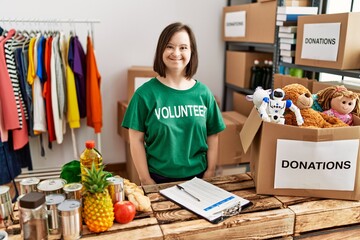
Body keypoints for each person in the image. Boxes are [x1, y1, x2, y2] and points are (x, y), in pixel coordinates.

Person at [122, 22, 226, 185]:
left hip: (198, 177)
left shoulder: (204, 93)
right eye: (170, 46)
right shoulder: (144, 95)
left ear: (192, 52)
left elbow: (213, 135)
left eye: (183, 47)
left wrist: (210, 171)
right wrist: (145, 179)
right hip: (158, 179)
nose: (176, 53)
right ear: (161, 50)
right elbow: (136, 140)